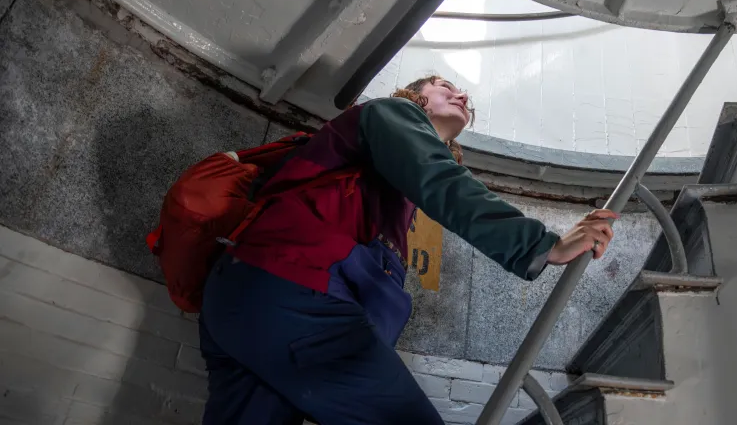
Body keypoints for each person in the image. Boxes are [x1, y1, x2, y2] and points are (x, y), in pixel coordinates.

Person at [199, 75, 618, 424]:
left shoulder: (390, 183)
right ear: (416, 97)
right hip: (293, 290)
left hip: (244, 299)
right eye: (445, 87)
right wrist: (544, 245)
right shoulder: (391, 113)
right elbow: (436, 177)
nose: (463, 97)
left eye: (463, 98)